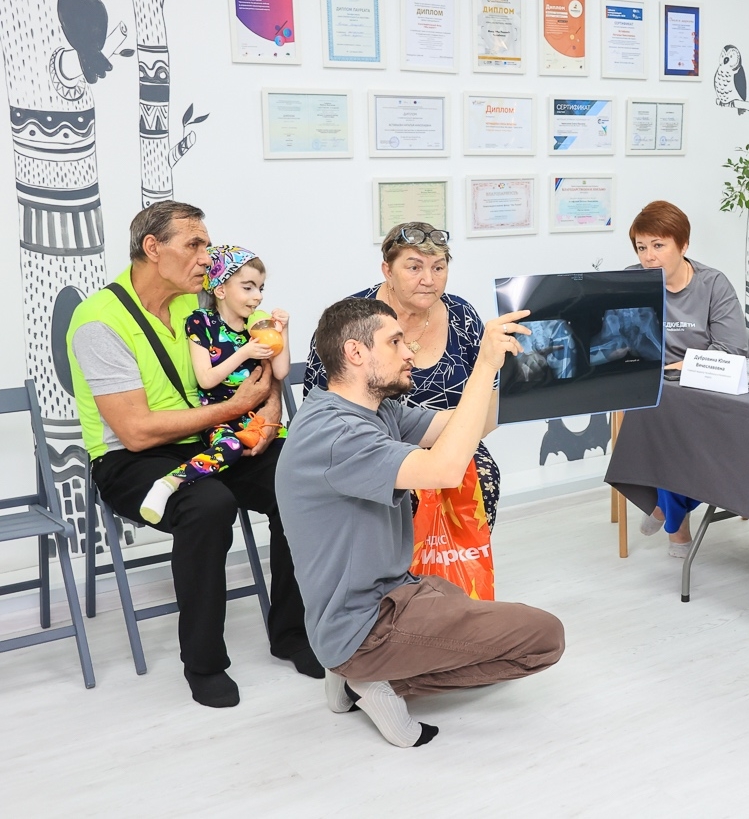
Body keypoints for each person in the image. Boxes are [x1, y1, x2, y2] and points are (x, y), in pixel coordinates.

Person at [277, 298, 565, 748]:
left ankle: (351, 671)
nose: (409, 351)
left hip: (389, 595)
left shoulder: (369, 409)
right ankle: (372, 678)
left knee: (461, 603)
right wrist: (484, 364)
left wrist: (519, 376)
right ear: (355, 352)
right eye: (395, 342)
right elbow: (444, 469)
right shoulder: (336, 434)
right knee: (545, 638)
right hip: (365, 624)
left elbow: (460, 427)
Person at [67, 202, 318, 709]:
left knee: (301, 481)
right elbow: (136, 432)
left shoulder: (197, 302)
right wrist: (238, 407)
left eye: (206, 244)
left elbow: (260, 362)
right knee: (209, 504)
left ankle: (292, 633)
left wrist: (268, 412)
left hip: (211, 439)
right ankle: (204, 663)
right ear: (152, 248)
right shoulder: (98, 321)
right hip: (129, 459)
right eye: (195, 245)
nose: (207, 257)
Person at [303, 222, 501, 530]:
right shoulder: (353, 321)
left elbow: (489, 405)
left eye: (438, 268)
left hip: (449, 433)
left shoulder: (462, 315)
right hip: (373, 445)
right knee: (403, 496)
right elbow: (321, 408)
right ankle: (402, 563)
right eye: (414, 267)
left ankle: (460, 562)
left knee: (483, 478)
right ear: (387, 270)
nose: (428, 280)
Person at [626, 201, 749, 557]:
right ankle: (673, 517)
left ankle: (666, 510)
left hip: (706, 388)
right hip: (656, 390)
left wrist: (681, 367)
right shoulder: (631, 281)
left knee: (674, 420)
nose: (649, 257)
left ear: (683, 245)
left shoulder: (713, 284)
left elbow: (732, 349)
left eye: (658, 245)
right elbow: (618, 341)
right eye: (641, 247)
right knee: (663, 413)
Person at [139, 246, 290, 524]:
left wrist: (283, 332)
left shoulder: (256, 326)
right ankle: (169, 483)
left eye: (260, 288)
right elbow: (206, 379)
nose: (258, 296)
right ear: (220, 290)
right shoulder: (201, 322)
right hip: (219, 418)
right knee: (230, 447)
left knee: (295, 453)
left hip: (256, 420)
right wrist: (245, 352)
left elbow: (280, 372)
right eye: (248, 287)